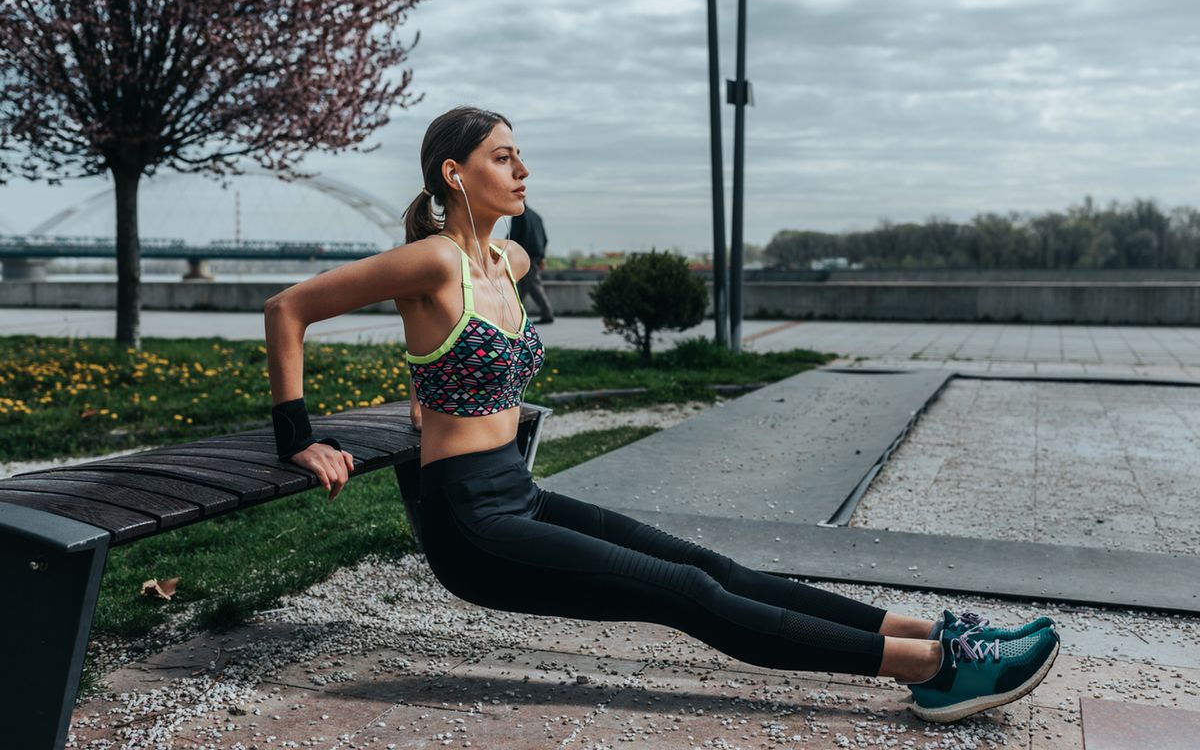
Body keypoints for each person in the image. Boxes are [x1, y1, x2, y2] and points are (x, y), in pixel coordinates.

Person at [263, 105, 1060, 724]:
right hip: (470, 524)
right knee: (686, 594)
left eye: (519, 153)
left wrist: (425, 390)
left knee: (719, 569)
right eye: (502, 156)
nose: (522, 168)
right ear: (455, 173)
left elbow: (442, 368)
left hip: (519, 492)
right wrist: (301, 439)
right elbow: (287, 307)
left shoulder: (509, 260)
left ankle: (932, 633)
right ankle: (934, 676)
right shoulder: (432, 260)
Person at [506, 202, 554, 324]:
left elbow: (513, 236)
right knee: (524, 285)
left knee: (531, 285)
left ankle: (546, 314)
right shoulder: (536, 216)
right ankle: (513, 314)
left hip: (525, 255)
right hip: (536, 254)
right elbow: (545, 238)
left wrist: (504, 248)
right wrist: (542, 256)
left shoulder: (518, 215)